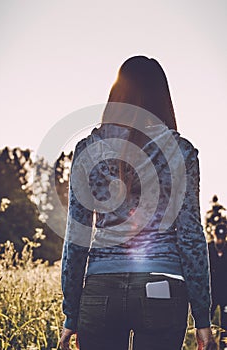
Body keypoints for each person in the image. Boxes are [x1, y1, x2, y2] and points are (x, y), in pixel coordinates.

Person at [60, 56, 216, 350]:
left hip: (100, 291)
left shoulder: (88, 150)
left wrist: (71, 314)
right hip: (164, 289)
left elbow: (76, 238)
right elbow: (191, 236)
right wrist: (202, 318)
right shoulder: (181, 152)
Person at [208, 223, 227, 349]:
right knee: (205, 322)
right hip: (211, 294)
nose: (220, 240)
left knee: (225, 325)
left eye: (223, 237)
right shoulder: (208, 248)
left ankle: (224, 346)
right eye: (218, 237)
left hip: (225, 294)